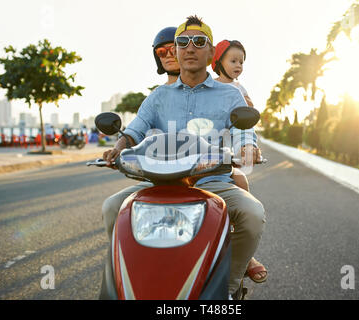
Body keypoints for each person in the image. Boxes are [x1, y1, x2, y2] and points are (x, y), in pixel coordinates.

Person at [102, 15, 266, 297]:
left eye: (199, 41)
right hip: (159, 182)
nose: (190, 48)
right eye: (183, 42)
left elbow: (243, 132)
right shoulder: (158, 96)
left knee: (252, 213)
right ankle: (130, 281)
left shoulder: (229, 94)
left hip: (212, 181)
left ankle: (229, 285)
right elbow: (135, 130)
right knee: (112, 207)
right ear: (177, 50)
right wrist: (119, 146)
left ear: (211, 51)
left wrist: (246, 147)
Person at [212, 39, 268, 283]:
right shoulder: (209, 89)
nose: (238, 65)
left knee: (241, 184)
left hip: (228, 156)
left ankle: (244, 255)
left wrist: (248, 144)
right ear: (218, 62)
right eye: (233, 60)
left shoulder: (240, 90)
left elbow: (249, 120)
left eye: (241, 62)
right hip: (204, 155)